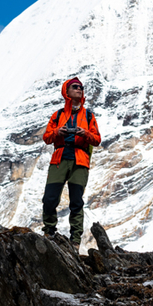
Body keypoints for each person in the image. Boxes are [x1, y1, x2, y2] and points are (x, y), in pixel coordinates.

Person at [41, 76, 101, 248]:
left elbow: (97, 139)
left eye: (81, 87)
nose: (79, 89)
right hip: (59, 158)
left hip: (80, 160)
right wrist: (58, 132)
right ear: (66, 91)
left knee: (76, 201)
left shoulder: (89, 116)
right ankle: (49, 231)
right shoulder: (58, 115)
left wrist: (85, 134)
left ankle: (75, 241)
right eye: (75, 86)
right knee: (50, 198)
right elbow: (46, 137)